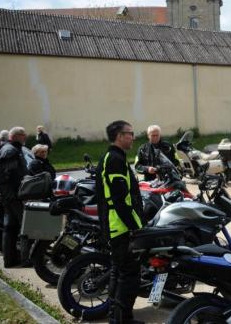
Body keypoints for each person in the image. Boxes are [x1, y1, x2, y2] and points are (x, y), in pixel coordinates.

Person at [96, 120, 145, 324]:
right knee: (129, 276)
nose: (133, 137)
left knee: (118, 273)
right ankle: (123, 319)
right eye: (130, 133)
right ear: (119, 135)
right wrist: (136, 227)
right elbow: (120, 201)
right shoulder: (114, 159)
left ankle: (116, 318)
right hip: (121, 227)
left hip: (117, 226)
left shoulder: (115, 158)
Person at [0, 126, 30, 267]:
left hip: (10, 194)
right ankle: (24, 259)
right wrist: (22, 193)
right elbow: (11, 175)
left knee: (11, 227)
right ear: (15, 136)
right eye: (22, 134)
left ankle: (10, 259)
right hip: (13, 195)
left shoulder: (12, 149)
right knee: (23, 226)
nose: (25, 136)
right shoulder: (10, 151)